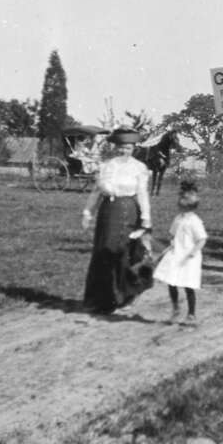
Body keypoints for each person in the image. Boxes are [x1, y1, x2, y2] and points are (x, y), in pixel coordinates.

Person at [81, 128, 154, 313]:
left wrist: (146, 217)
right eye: (121, 147)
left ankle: (126, 297)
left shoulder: (139, 168)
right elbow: (96, 192)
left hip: (129, 211)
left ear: (134, 148)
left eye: (128, 148)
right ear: (116, 147)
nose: (124, 151)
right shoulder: (107, 166)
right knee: (104, 252)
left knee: (125, 254)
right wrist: (88, 213)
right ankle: (102, 300)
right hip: (108, 213)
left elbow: (142, 194)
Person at [154, 180, 208, 325]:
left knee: (188, 285)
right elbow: (173, 236)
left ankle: (191, 313)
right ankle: (175, 308)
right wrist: (166, 250)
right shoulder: (178, 219)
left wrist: (192, 253)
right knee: (171, 282)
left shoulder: (195, 221)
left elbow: (202, 239)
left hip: (190, 257)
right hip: (176, 254)